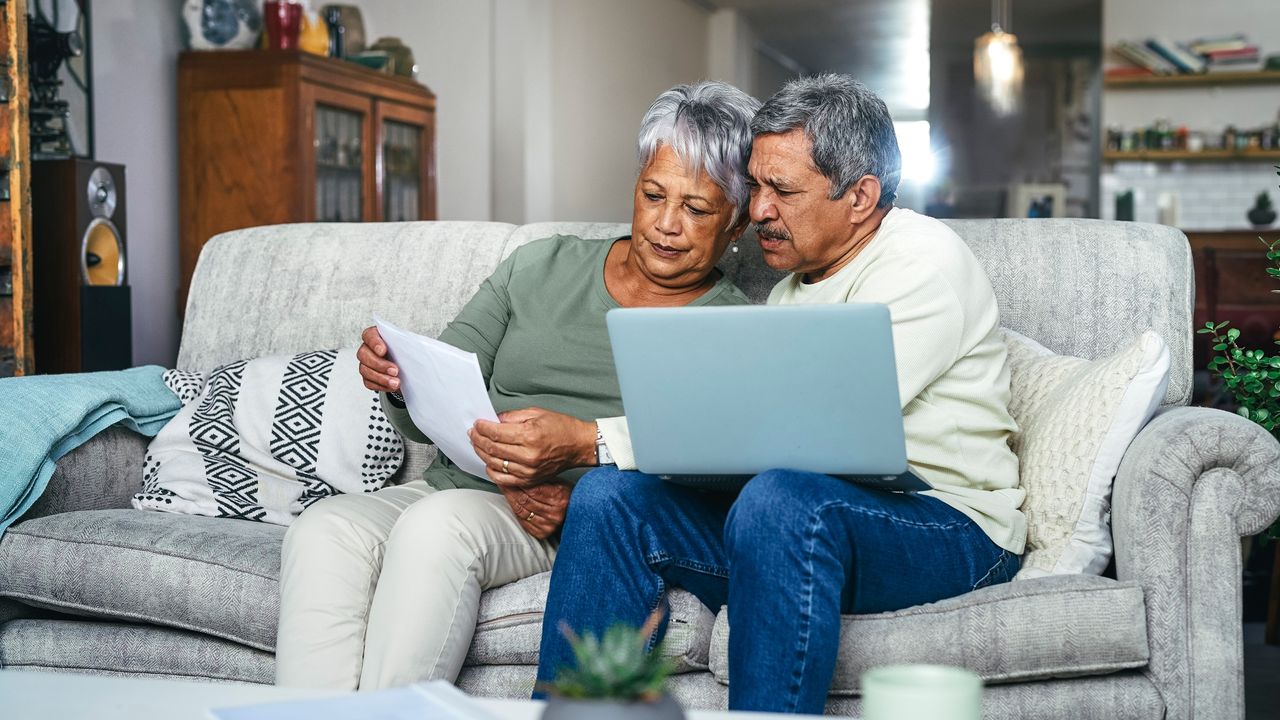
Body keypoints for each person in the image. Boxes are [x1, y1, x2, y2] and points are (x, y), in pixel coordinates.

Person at [534, 74, 1025, 714]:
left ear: (860, 197)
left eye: (782, 190)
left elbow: (808, 421)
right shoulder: (797, 284)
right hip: (820, 517)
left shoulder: (922, 262)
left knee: (780, 496)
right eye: (756, 184)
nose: (758, 209)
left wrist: (596, 437)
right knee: (610, 497)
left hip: (950, 527)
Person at [274, 81, 760, 690]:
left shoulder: (731, 324)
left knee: (438, 529)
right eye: (653, 194)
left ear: (735, 220)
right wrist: (398, 379)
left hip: (560, 520)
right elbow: (442, 379)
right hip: (464, 482)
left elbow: (703, 466)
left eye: (696, 209)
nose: (666, 224)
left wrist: (571, 497)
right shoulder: (539, 264)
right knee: (323, 529)